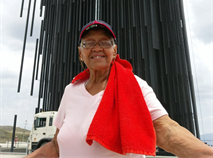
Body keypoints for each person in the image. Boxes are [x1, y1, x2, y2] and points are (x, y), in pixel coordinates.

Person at [25, 20, 213, 158]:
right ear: (80, 53)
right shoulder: (71, 90)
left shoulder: (135, 86)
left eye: (105, 42)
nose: (97, 47)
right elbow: (57, 147)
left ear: (114, 51)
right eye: (89, 43)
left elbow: (166, 131)